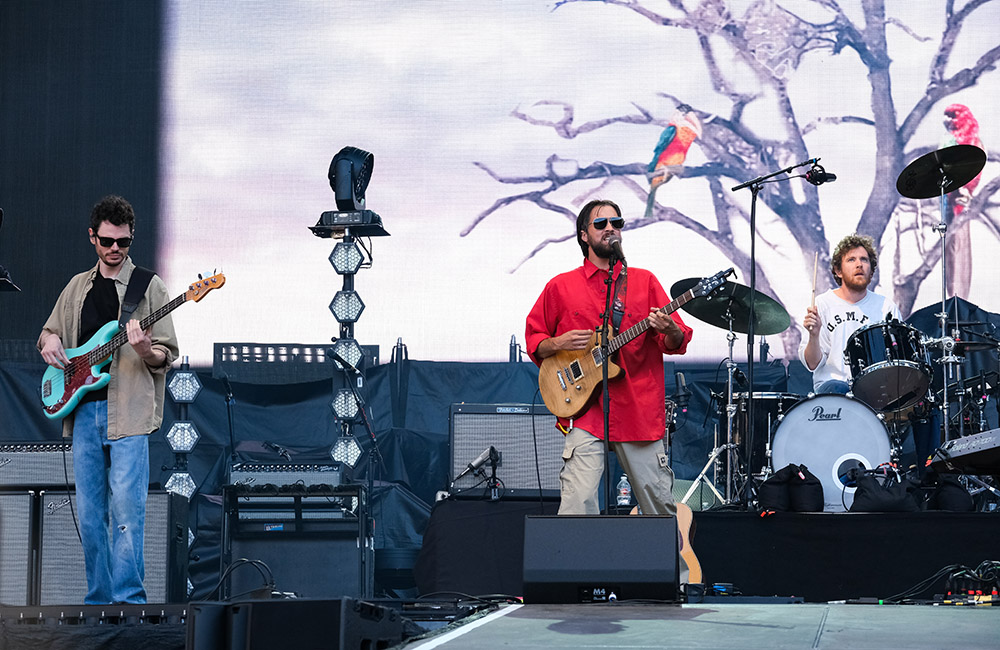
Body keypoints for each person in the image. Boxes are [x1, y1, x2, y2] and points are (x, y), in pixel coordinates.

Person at [38, 195, 178, 604]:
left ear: (132, 238)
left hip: (129, 415)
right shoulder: (76, 287)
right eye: (107, 241)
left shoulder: (149, 287)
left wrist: (144, 349)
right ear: (92, 238)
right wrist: (49, 342)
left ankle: (129, 605)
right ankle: (98, 603)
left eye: (123, 242)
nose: (115, 249)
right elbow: (48, 333)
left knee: (127, 517)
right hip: (82, 412)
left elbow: (164, 354)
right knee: (91, 517)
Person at [525, 199, 693, 516]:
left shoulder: (644, 281)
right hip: (586, 411)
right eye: (601, 224)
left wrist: (670, 326)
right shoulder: (560, 286)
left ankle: (673, 568)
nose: (611, 229)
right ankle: (576, 567)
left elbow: (675, 341)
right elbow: (535, 341)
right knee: (577, 506)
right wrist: (558, 341)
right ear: (584, 235)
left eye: (617, 223)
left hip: (637, 411)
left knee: (658, 508)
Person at [800, 233, 900, 395]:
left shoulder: (886, 307)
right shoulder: (822, 304)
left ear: (872, 271)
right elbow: (812, 365)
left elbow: (898, 360)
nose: (859, 264)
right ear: (838, 271)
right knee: (837, 388)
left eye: (864, 260)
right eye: (851, 260)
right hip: (832, 388)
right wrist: (814, 335)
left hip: (875, 390)